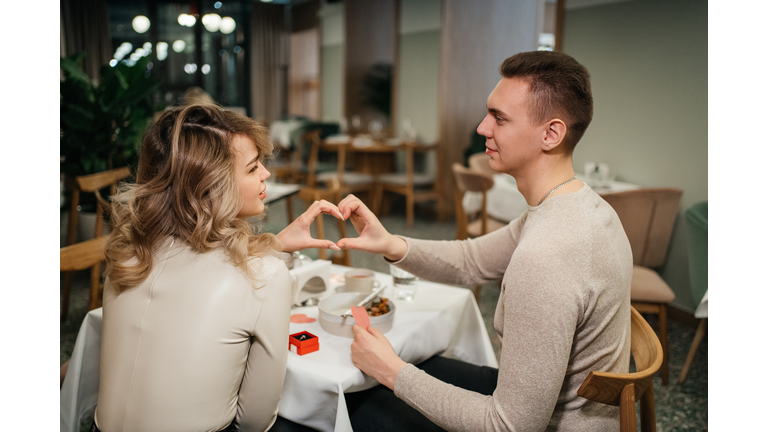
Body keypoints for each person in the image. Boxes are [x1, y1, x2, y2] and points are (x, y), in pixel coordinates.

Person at [335, 51, 633, 431]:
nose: (482, 128)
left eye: (499, 118)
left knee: (352, 405)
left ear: (551, 134)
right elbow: (472, 260)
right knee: (413, 368)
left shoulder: (546, 256)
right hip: (561, 407)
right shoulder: (578, 205)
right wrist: (390, 243)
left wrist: (393, 372)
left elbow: (508, 426)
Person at [94, 104, 343, 432]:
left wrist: (275, 243)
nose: (267, 174)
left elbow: (195, 260)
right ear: (213, 187)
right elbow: (255, 420)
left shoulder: (126, 254)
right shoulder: (266, 277)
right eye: (253, 168)